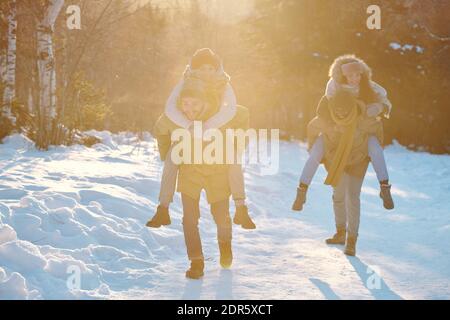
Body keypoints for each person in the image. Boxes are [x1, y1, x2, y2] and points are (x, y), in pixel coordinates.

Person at [151, 77, 250, 279]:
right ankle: (196, 261)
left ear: (206, 102)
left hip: (218, 174)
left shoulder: (219, 119)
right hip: (191, 173)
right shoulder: (177, 120)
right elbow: (160, 131)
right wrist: (166, 151)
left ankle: (225, 246)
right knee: (189, 219)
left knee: (221, 218)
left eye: (195, 103)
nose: (189, 108)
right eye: (185, 103)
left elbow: (242, 118)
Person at [147, 48, 255, 230]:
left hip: (215, 132)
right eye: (202, 68)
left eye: (210, 68)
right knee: (172, 160)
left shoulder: (224, 83)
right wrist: (189, 126)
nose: (207, 72)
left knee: (233, 159)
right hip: (189, 130)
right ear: (194, 68)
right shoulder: (185, 81)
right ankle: (163, 209)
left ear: (217, 69)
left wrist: (207, 127)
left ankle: (240, 207)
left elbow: (229, 110)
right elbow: (170, 108)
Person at [292, 54, 394, 212]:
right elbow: (323, 109)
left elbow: (385, 101)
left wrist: (379, 108)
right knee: (315, 153)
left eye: (357, 75)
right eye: (350, 76)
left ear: (362, 74)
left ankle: (384, 186)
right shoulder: (334, 86)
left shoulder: (369, 86)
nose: (355, 79)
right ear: (342, 76)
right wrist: (332, 125)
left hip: (360, 130)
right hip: (336, 129)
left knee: (376, 149)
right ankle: (302, 190)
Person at [307, 90, 383, 256]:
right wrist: (313, 148)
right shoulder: (328, 118)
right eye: (337, 109)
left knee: (352, 197)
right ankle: (340, 232)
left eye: (344, 109)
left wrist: (373, 149)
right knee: (338, 196)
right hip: (337, 161)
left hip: (357, 161)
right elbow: (312, 128)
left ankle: (351, 240)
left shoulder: (362, 119)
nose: (341, 112)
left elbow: (377, 127)